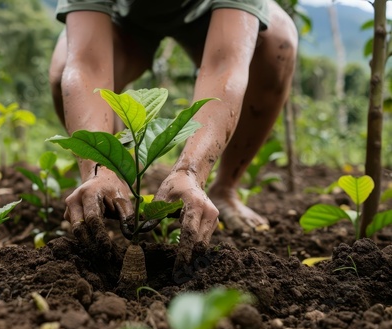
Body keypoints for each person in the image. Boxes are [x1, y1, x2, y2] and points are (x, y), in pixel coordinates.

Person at [49, 0, 298, 270]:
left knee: (276, 44)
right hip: (123, 19)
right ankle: (111, 182)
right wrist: (99, 167)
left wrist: (191, 171)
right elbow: (87, 63)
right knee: (63, 70)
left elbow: (226, 64)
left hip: (208, 14)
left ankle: (225, 188)